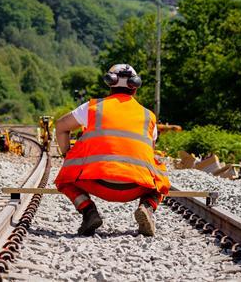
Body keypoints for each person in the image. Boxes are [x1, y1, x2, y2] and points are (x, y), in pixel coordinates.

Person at [54, 64, 170, 236]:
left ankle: (88, 212)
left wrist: (67, 156)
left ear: (110, 83)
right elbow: (147, 155)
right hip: (135, 187)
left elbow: (61, 126)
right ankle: (147, 207)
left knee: (64, 178)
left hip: (96, 183)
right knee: (160, 179)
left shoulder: (92, 107)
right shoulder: (148, 116)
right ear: (135, 86)